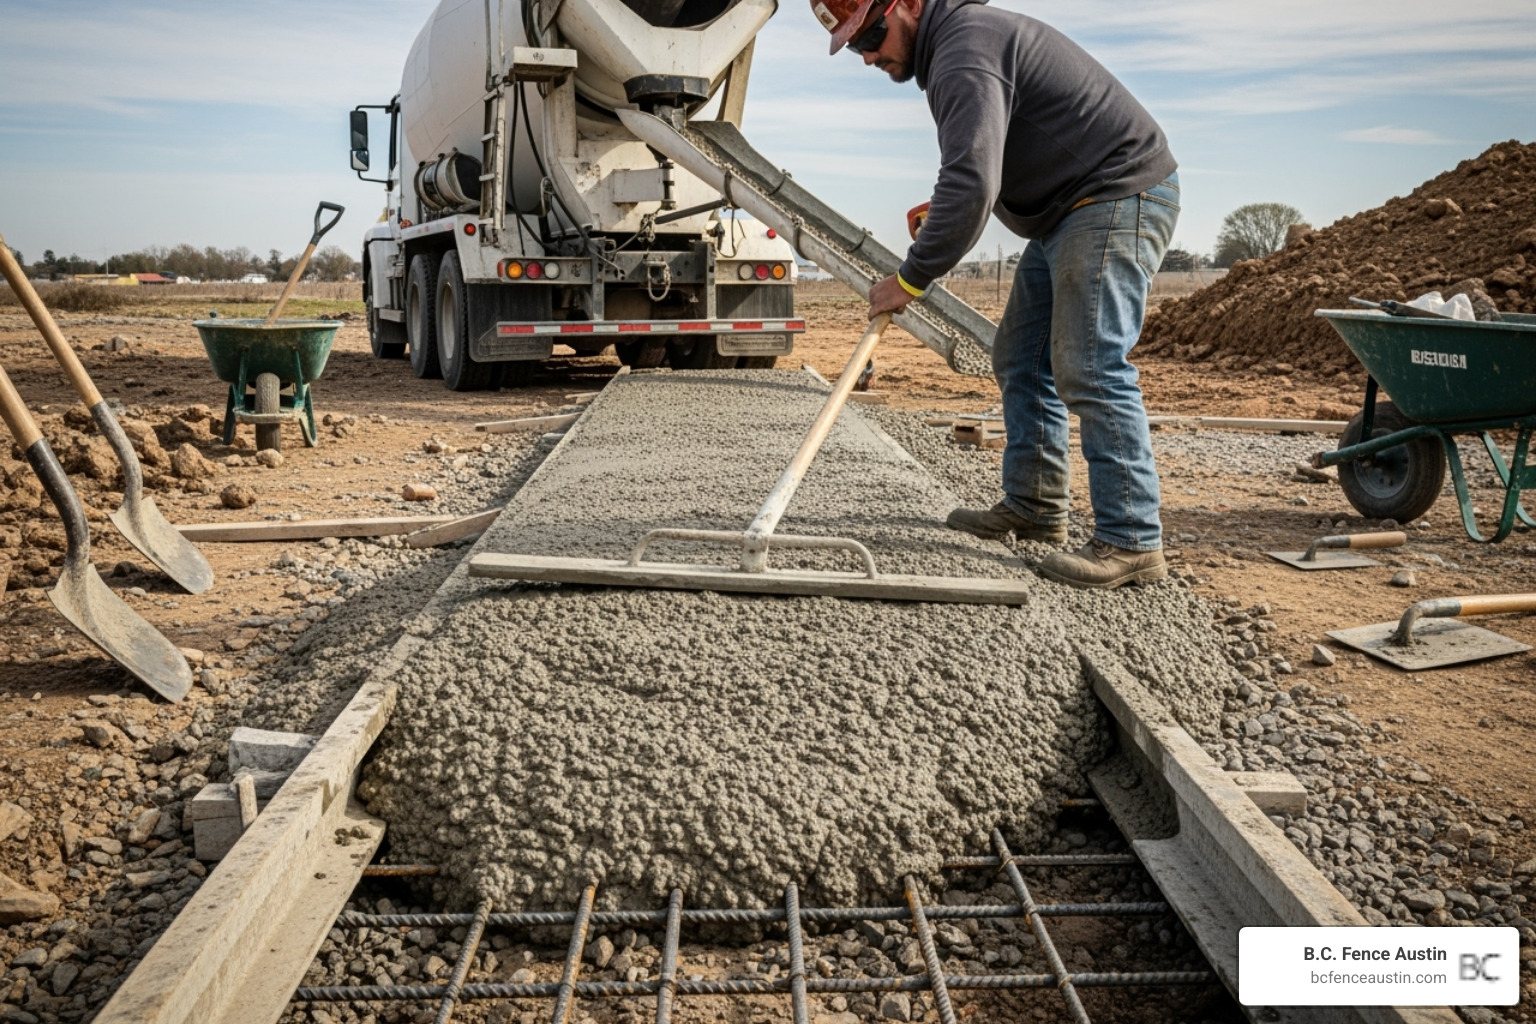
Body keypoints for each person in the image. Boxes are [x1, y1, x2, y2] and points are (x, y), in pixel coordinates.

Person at [812, 0, 1179, 589]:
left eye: (872, 35)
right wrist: (950, 215)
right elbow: (988, 166)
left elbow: (971, 179)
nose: (869, 56)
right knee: (1021, 356)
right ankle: (1035, 505)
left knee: (1090, 363)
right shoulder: (954, 50)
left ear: (906, 6)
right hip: (1068, 209)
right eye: (856, 46)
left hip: (1114, 194)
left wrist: (910, 277)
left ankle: (1131, 540)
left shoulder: (962, 48)